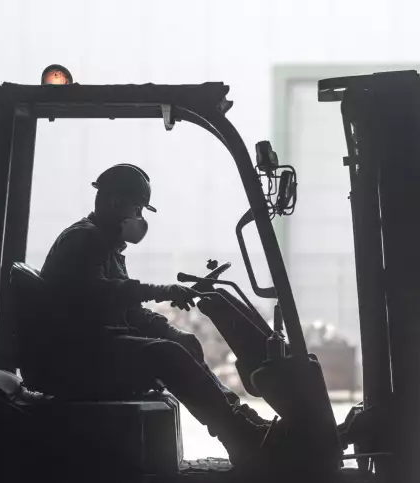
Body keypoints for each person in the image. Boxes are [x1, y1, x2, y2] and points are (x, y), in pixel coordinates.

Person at [40, 163, 270, 464]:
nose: (140, 218)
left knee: (178, 346)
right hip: (77, 354)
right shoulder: (85, 240)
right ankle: (243, 438)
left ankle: (243, 420)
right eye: (138, 209)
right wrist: (162, 291)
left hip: (93, 345)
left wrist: (170, 330)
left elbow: (128, 310)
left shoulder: (104, 245)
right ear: (115, 204)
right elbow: (103, 292)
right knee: (167, 355)